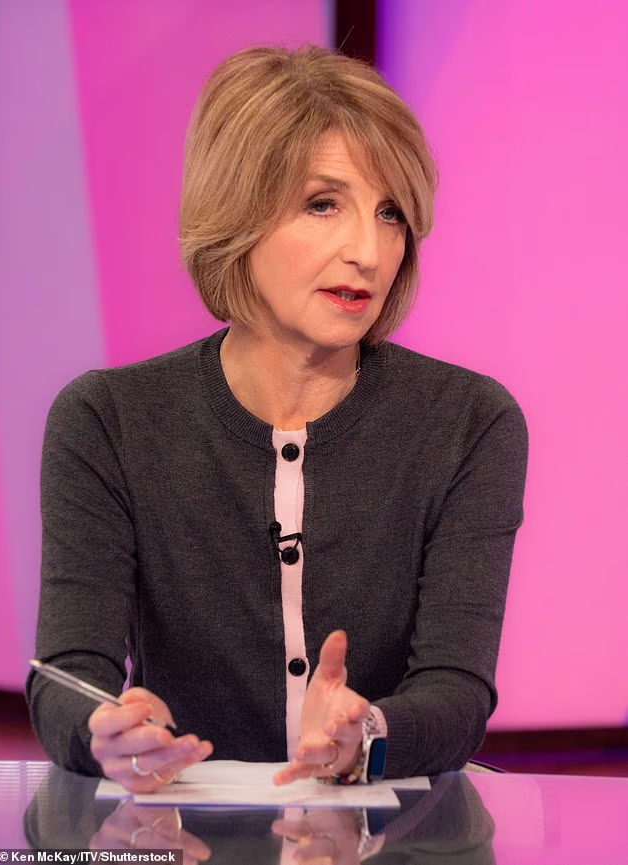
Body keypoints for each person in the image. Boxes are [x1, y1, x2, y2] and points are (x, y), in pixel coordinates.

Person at [27, 45, 527, 792]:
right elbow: (66, 677)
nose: (368, 252)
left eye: (390, 213)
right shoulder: (108, 421)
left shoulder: (469, 423)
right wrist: (108, 731)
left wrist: (368, 737)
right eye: (323, 204)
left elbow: (457, 693)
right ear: (236, 212)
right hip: (181, 827)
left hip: (395, 830)